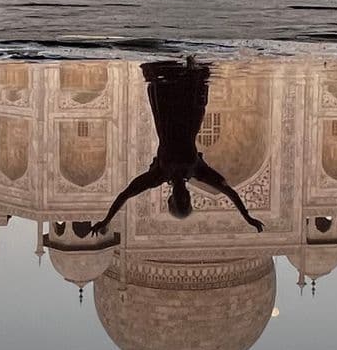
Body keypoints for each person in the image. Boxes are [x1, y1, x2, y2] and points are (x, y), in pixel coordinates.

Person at [94, 61, 264, 234]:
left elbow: (126, 194)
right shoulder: (196, 171)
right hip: (190, 113)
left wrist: (107, 220)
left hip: (166, 112)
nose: (183, 198)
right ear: (189, 198)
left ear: (170, 200)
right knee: (192, 70)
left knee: (164, 68)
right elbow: (229, 192)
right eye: (186, 201)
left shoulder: (159, 174)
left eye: (179, 202)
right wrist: (247, 217)